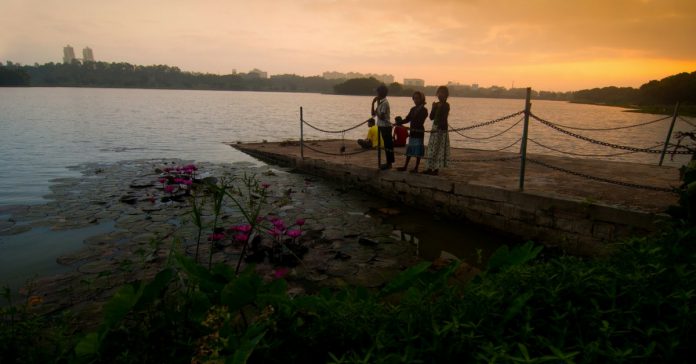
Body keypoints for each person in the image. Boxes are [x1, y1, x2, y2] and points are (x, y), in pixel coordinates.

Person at [395, 91, 428, 172]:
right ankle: (405, 166)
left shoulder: (424, 110)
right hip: (413, 132)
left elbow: (420, 121)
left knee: (418, 151)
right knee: (409, 150)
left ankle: (416, 168)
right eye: (414, 98)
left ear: (421, 99)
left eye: (417, 98)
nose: (415, 100)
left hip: (419, 132)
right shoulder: (413, 109)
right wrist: (398, 123)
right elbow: (407, 119)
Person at [423, 86, 450, 175]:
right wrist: (433, 107)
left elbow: (444, 118)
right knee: (431, 149)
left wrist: (439, 129)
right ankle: (429, 167)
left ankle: (435, 169)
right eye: (439, 93)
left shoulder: (446, 105)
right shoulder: (436, 104)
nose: (440, 95)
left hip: (441, 130)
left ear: (446, 95)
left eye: (442, 93)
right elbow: (431, 117)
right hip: (434, 128)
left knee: (438, 150)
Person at [371, 84, 393, 170]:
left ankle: (389, 163)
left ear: (381, 93)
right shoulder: (380, 103)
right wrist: (373, 103)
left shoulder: (385, 103)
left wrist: (377, 109)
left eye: (377, 92)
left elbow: (382, 117)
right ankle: (388, 163)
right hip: (381, 126)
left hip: (386, 126)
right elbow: (373, 114)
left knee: (388, 145)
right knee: (386, 145)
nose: (377, 94)